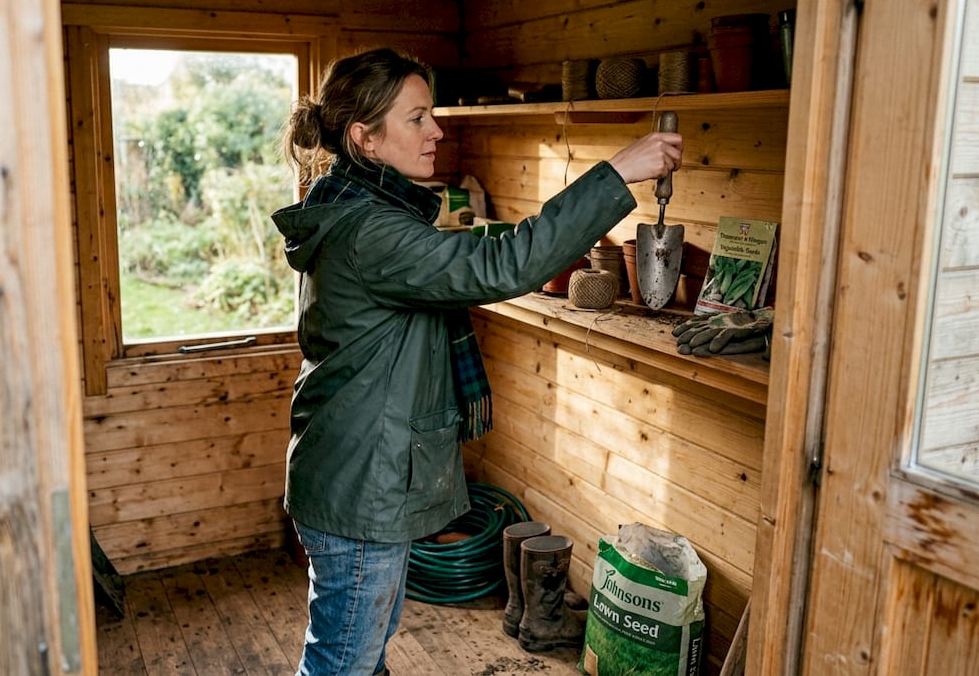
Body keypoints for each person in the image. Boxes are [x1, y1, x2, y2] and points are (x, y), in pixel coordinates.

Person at [271, 47, 682, 676]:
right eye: (416, 118)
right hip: (363, 483)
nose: (437, 130)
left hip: (354, 472)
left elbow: (477, 260)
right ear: (365, 138)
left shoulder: (358, 210)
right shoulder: (371, 231)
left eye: (430, 114)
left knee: (360, 655)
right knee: (342, 664)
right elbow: (504, 265)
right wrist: (616, 172)